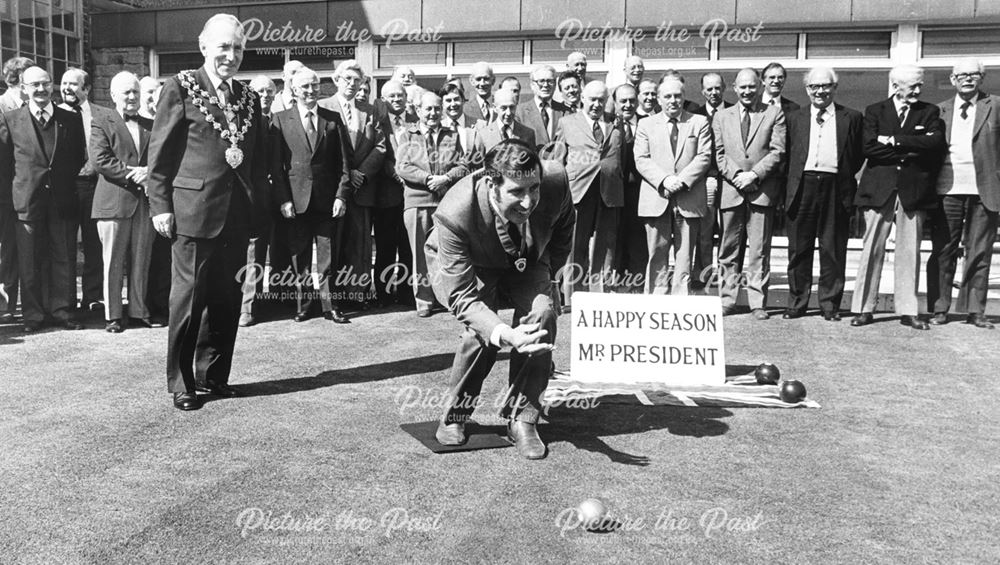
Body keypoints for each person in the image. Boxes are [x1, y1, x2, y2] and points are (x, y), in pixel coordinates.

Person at [146, 14, 270, 411]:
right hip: (192, 212)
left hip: (235, 214)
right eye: (223, 47)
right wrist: (160, 206)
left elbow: (253, 159)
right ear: (204, 48)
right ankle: (182, 383)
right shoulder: (180, 87)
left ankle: (213, 375)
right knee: (188, 300)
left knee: (226, 299)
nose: (229, 55)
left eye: (237, 48)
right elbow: (160, 154)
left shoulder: (248, 97)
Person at [426, 139, 575, 460]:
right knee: (481, 334)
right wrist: (504, 334)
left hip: (528, 259)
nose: (528, 202)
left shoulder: (554, 179)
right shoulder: (455, 213)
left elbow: (564, 227)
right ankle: (455, 415)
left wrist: (553, 279)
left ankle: (522, 418)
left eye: (533, 189)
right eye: (516, 193)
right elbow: (463, 297)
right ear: (492, 184)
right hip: (471, 262)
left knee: (544, 313)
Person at [850, 65, 945, 330]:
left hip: (913, 191)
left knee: (909, 251)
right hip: (879, 189)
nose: (918, 90)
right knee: (871, 250)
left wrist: (892, 140)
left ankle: (908, 309)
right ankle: (863, 308)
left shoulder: (929, 112)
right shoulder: (875, 111)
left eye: (920, 85)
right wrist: (912, 146)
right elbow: (869, 148)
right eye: (912, 85)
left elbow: (934, 145)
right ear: (896, 85)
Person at [0, 66, 87, 332]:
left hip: (61, 200)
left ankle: (62, 311)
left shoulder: (69, 119)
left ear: (52, 86)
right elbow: (4, 164)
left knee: (63, 258)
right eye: (34, 85)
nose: (40, 89)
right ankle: (33, 316)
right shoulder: (10, 119)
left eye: (45, 84)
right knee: (29, 261)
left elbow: (75, 158)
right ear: (24, 89)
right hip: (26, 201)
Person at [782, 67, 864, 321]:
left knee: (832, 249)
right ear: (807, 89)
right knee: (799, 249)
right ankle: (797, 302)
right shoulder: (794, 117)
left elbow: (858, 154)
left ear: (834, 88)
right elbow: (786, 154)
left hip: (835, 187)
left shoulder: (851, 117)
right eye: (815, 87)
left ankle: (830, 305)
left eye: (825, 86)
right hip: (802, 187)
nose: (820, 91)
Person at [272, 67, 352, 324]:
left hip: (327, 202)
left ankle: (331, 306)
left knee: (328, 258)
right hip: (296, 201)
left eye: (314, 86)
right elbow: (276, 166)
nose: (310, 91)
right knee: (300, 257)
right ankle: (304, 306)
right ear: (294, 90)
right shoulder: (281, 119)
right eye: (304, 87)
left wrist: (341, 196)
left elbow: (344, 163)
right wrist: (284, 199)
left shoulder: (332, 119)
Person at [926, 59, 999, 329]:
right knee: (943, 250)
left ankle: (975, 310)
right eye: (962, 75)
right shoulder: (940, 110)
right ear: (953, 79)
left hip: (985, 189)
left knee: (979, 251)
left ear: (981, 78)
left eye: (973, 74)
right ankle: (939, 307)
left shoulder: (995, 105)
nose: (967, 79)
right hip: (947, 189)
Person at [713, 68, 786, 318]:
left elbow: (777, 151)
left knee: (759, 249)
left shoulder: (774, 113)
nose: (747, 91)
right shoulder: (722, 116)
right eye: (742, 87)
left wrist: (754, 175)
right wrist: (737, 176)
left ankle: (757, 302)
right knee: (728, 248)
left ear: (760, 87)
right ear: (734, 88)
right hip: (731, 190)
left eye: (752, 87)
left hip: (760, 190)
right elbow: (719, 154)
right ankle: (727, 299)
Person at [90, 71, 156, 333]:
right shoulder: (101, 121)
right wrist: (135, 175)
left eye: (135, 92)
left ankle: (139, 311)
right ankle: (113, 315)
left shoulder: (150, 124)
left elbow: (161, 158)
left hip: (145, 202)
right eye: (126, 92)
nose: (132, 97)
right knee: (113, 260)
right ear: (113, 95)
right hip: (114, 201)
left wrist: (149, 171)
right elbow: (100, 160)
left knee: (142, 257)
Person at [318, 60, 386, 312]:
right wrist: (345, 175)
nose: (351, 84)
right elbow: (318, 147)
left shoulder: (369, 110)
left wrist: (361, 173)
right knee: (331, 246)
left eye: (356, 80)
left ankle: (355, 295)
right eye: (346, 79)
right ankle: (331, 300)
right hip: (333, 189)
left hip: (361, 189)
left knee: (359, 245)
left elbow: (380, 146)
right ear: (336, 80)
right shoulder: (323, 107)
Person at [634, 77, 712, 295]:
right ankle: (656, 301)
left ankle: (681, 301)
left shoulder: (699, 122)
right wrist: (665, 180)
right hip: (657, 197)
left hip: (689, 197)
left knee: (685, 254)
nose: (673, 100)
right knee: (656, 253)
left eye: (677, 95)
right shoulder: (645, 124)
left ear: (684, 97)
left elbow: (704, 157)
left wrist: (681, 181)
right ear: (659, 99)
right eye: (667, 96)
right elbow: (641, 158)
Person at [396, 91, 470, 317]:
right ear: (418, 111)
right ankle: (424, 300)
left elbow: (463, 165)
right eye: (428, 109)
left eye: (437, 109)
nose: (433, 113)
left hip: (444, 203)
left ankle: (446, 297)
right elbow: (403, 166)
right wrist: (428, 179)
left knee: (444, 252)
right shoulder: (407, 135)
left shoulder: (452, 134)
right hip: (417, 202)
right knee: (419, 253)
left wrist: (446, 179)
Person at [555, 80, 624, 302]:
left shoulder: (615, 125)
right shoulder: (566, 123)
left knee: (605, 247)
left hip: (609, 193)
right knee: (575, 245)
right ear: (582, 98)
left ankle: (599, 296)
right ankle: (572, 297)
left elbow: (621, 160)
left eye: (601, 100)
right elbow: (557, 162)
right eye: (592, 99)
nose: (596, 104)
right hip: (577, 192)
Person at [59, 67, 110, 314]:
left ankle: (92, 298)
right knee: (66, 245)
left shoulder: (101, 114)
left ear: (86, 88)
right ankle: (67, 300)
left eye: (73, 84)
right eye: (64, 83)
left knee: (94, 243)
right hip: (65, 188)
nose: (67, 88)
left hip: (94, 185)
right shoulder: (55, 115)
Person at [239, 75, 278, 327]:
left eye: (269, 91)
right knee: (251, 251)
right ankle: (246, 308)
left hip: (274, 195)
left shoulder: (279, 119)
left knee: (267, 250)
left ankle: (267, 299)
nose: (264, 95)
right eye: (259, 91)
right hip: (249, 194)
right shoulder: (244, 121)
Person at [373, 80, 414, 308]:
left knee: (407, 248)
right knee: (386, 248)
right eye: (391, 96)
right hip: (386, 195)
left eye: (400, 96)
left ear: (406, 98)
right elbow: (378, 153)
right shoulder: (378, 123)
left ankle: (407, 293)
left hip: (411, 195)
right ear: (383, 99)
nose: (396, 100)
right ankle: (384, 295)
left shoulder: (415, 123)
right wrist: (398, 174)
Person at [690, 72, 732, 290]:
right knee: (704, 231)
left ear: (724, 88)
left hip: (730, 180)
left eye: (717, 88)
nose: (714, 92)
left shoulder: (735, 112)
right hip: (705, 180)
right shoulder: (694, 116)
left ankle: (727, 277)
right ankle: (703, 274)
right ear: (702, 91)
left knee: (729, 230)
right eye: (709, 89)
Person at [0, 56, 33, 323]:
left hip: (27, 190)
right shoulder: (1, 106)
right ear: (19, 80)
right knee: (6, 249)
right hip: (4, 191)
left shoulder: (32, 107)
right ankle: (7, 303)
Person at [611, 83, 647, 293]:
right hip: (612, 193)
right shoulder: (608, 125)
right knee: (615, 240)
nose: (627, 105)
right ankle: (615, 286)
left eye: (632, 100)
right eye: (623, 101)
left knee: (638, 240)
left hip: (640, 192)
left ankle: (637, 285)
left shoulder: (648, 123)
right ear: (615, 103)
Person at [516, 65, 570, 151]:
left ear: (555, 85)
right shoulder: (519, 112)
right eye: (541, 81)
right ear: (532, 85)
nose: (546, 85)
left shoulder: (566, 111)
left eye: (550, 81)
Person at [472, 89, 536, 156]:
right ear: (495, 108)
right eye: (503, 108)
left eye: (512, 107)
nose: (508, 113)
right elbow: (477, 164)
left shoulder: (528, 134)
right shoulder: (483, 134)